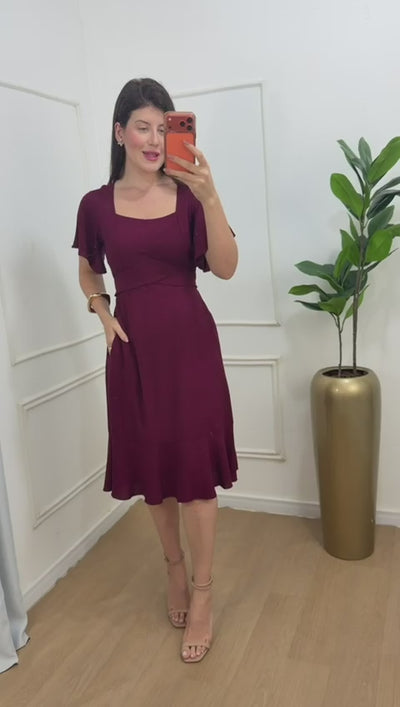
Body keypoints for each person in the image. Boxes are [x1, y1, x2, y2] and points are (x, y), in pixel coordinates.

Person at [73, 78, 238, 663]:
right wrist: (101, 309)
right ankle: (173, 569)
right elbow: (88, 268)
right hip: (134, 353)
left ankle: (203, 593)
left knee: (195, 477)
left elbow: (226, 268)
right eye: (142, 127)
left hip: (191, 348)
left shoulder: (190, 196)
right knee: (155, 472)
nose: (153, 138)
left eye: (163, 128)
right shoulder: (96, 205)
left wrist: (211, 196)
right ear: (119, 133)